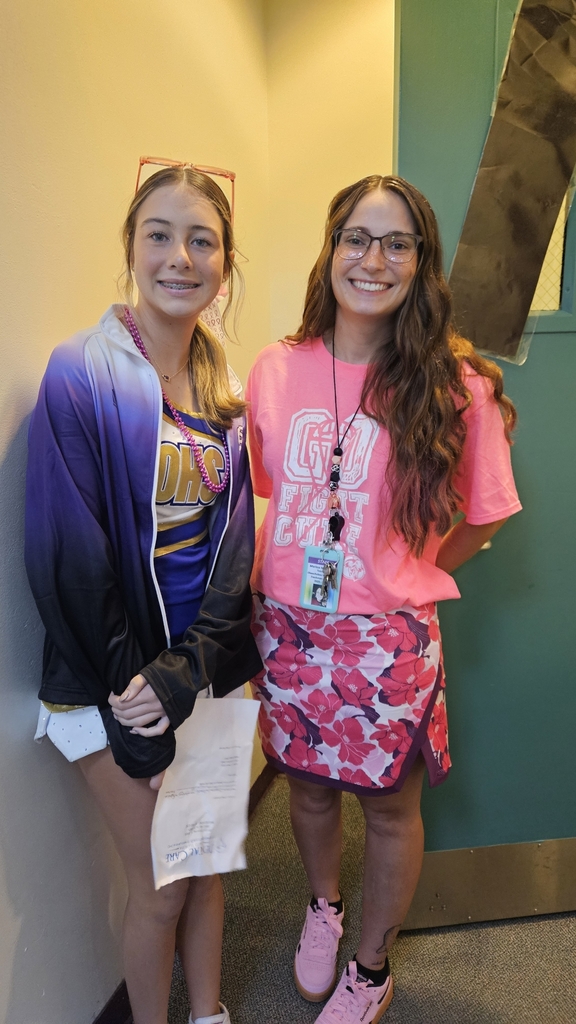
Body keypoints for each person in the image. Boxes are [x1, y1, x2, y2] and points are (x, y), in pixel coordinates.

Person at [246, 174, 521, 1023]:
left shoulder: (456, 384)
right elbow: (271, 493)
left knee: (390, 808)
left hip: (387, 639)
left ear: (420, 262)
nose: (373, 259)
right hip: (288, 627)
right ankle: (323, 907)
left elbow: (486, 514)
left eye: (397, 243)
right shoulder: (276, 368)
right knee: (306, 789)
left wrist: (406, 565)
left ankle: (371, 968)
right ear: (330, 251)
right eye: (356, 238)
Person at [25, 165, 262, 1024]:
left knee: (207, 868)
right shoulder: (81, 372)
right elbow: (70, 559)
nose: (179, 257)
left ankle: (210, 1014)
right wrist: (141, 705)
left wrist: (188, 675)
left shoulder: (225, 387)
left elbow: (236, 552)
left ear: (225, 263)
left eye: (202, 240)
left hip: (200, 673)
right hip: (109, 679)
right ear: (130, 246)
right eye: (159, 234)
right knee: (162, 886)